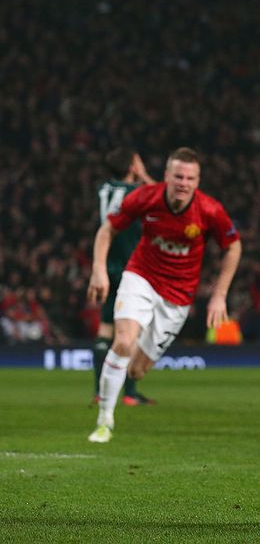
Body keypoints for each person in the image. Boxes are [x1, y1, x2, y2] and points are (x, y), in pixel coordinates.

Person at [86, 147, 242, 443]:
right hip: (141, 277)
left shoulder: (210, 210)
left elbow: (233, 246)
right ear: (167, 176)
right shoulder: (145, 197)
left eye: (190, 178)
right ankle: (104, 421)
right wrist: (98, 270)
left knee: (136, 370)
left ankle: (126, 361)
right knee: (123, 341)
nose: (184, 183)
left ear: (197, 181)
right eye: (178, 176)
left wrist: (220, 294)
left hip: (178, 297)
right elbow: (107, 230)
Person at [91, 148, 156, 407]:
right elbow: (163, 195)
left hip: (107, 265)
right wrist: (143, 175)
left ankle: (100, 391)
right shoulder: (136, 192)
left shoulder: (103, 189)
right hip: (132, 267)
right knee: (133, 330)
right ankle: (130, 392)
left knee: (106, 328)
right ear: (132, 167)